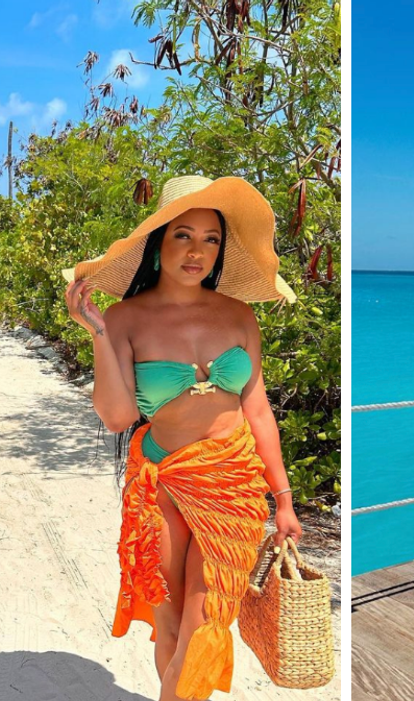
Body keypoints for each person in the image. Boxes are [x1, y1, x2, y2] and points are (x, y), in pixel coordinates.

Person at [63, 175, 303, 700]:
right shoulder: (126, 318)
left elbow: (258, 410)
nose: (197, 252)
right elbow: (118, 417)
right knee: (170, 621)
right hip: (162, 482)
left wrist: (283, 500)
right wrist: (98, 332)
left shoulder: (239, 315)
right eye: (183, 236)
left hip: (233, 482)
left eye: (211, 240)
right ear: (159, 243)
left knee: (205, 619)